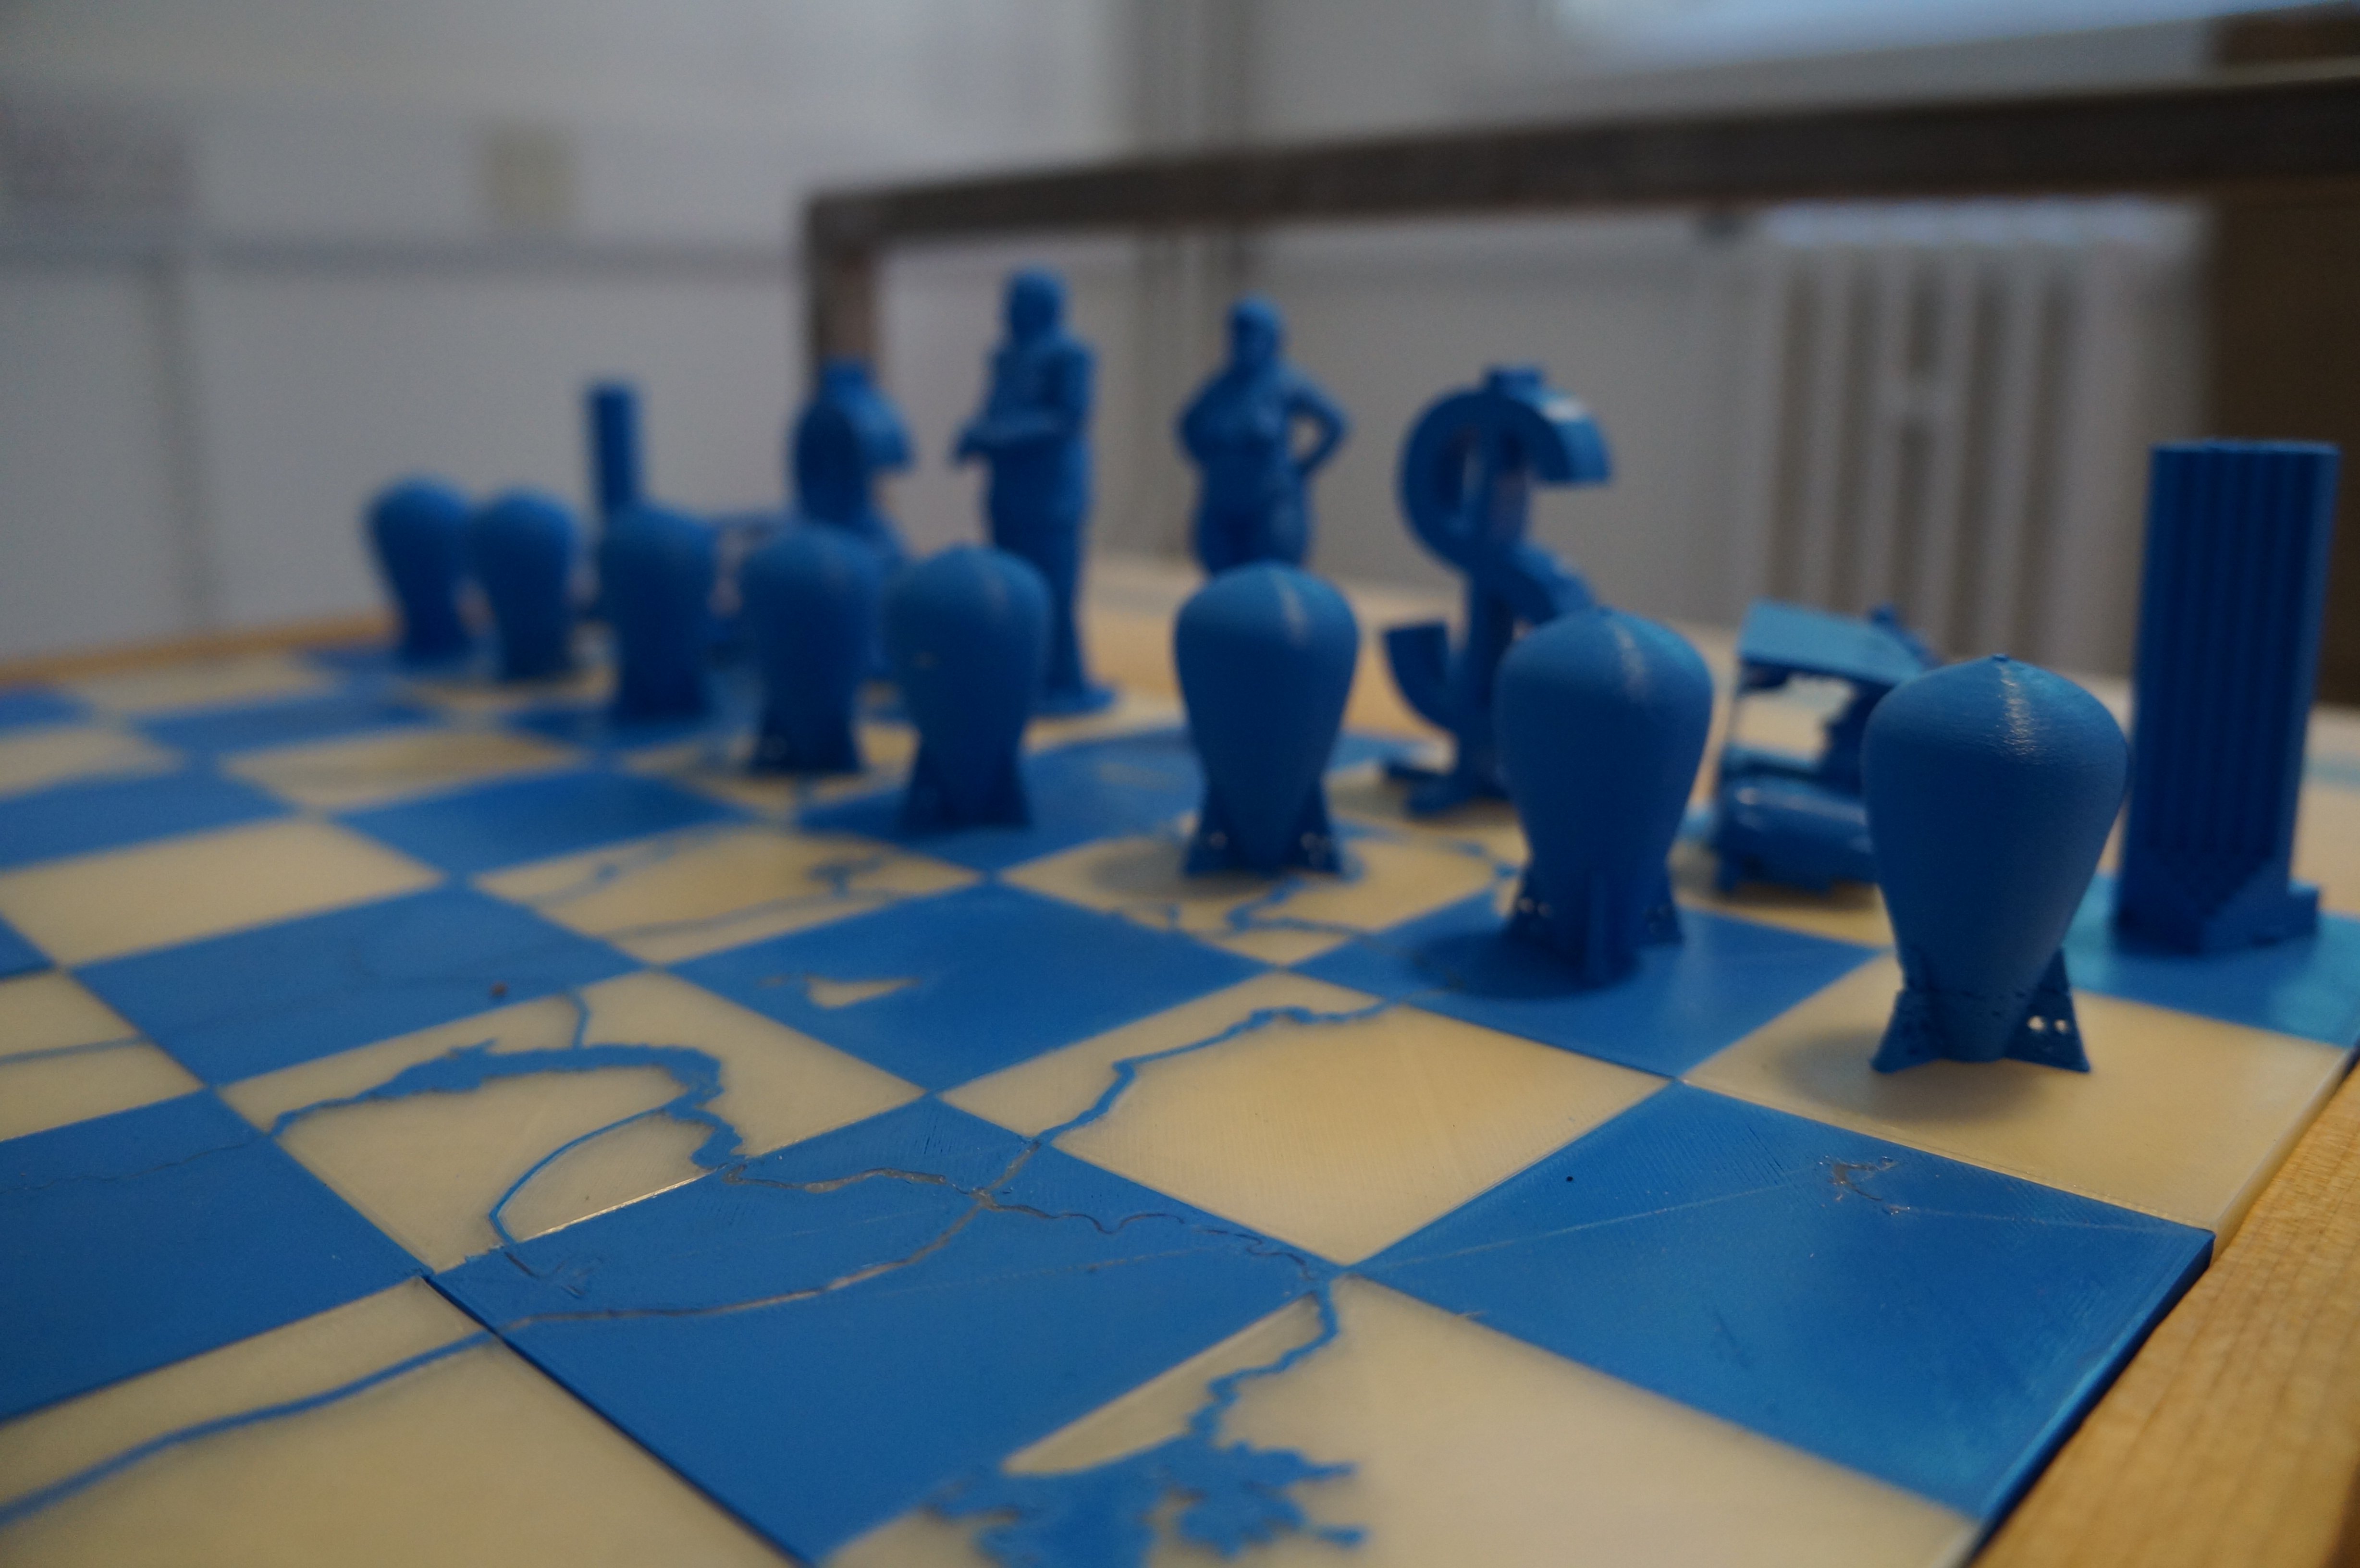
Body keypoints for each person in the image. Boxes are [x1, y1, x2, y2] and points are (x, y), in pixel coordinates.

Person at [953, 269, 1106, 711]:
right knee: (1008, 585)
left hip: (1052, 498)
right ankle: (1021, 672)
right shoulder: (1005, 356)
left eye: (1017, 303)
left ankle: (1064, 677)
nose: (1008, 313)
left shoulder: (1070, 355)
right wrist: (976, 433)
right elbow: (995, 407)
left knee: (1055, 589)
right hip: (1009, 493)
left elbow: (1068, 419)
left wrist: (996, 436)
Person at [1177, 296, 1349, 574]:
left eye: (1253, 335)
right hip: (1222, 503)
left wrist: (1302, 468)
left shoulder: (1286, 382)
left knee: (1269, 578)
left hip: (1269, 504)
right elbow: (1186, 425)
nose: (1244, 342)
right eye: (1238, 335)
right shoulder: (1220, 386)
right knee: (1223, 581)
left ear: (1272, 340)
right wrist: (1209, 460)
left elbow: (1337, 424)